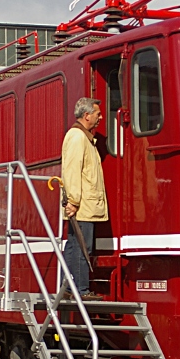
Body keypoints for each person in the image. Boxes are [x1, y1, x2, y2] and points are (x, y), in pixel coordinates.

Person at [60, 97, 108, 301]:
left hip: (85, 203)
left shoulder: (83, 137)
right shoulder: (78, 138)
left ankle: (68, 287)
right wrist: (73, 200)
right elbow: (72, 171)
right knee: (81, 246)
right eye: (97, 114)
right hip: (83, 205)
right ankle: (80, 288)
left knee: (74, 245)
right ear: (87, 115)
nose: (100, 117)